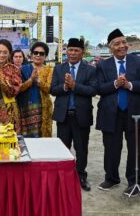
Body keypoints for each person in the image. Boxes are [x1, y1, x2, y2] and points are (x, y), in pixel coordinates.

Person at [96, 29, 140, 196]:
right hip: (111, 113)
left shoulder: (138, 62)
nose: (122, 46)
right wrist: (115, 84)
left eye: (124, 42)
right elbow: (98, 88)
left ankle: (135, 182)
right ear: (111, 47)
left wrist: (129, 85)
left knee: (136, 148)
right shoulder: (102, 65)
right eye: (117, 44)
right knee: (112, 148)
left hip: (135, 113)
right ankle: (111, 178)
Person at [50, 38, 97, 191]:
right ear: (66, 51)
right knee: (63, 148)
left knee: (81, 148)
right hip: (63, 116)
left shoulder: (90, 70)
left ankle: (81, 175)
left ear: (82, 53)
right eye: (70, 50)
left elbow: (92, 90)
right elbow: (52, 90)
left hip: (81, 116)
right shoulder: (59, 68)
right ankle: (63, 176)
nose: (73, 53)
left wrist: (75, 86)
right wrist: (65, 86)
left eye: (76, 50)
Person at [17, 42, 53, 137]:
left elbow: (49, 89)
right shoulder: (23, 69)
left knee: (42, 137)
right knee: (26, 137)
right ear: (31, 54)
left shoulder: (49, 70)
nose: (38, 55)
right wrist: (31, 79)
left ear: (45, 56)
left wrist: (38, 80)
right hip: (25, 107)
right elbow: (19, 88)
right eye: (35, 52)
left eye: (41, 53)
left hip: (43, 107)